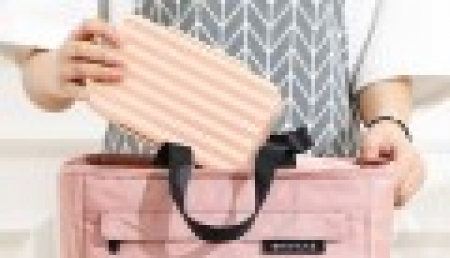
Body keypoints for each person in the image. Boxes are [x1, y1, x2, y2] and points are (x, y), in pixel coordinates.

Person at [1, 0, 427, 209]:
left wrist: (391, 123)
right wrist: (59, 69)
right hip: (154, 203)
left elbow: (383, 51)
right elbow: (41, 54)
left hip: (315, 205)